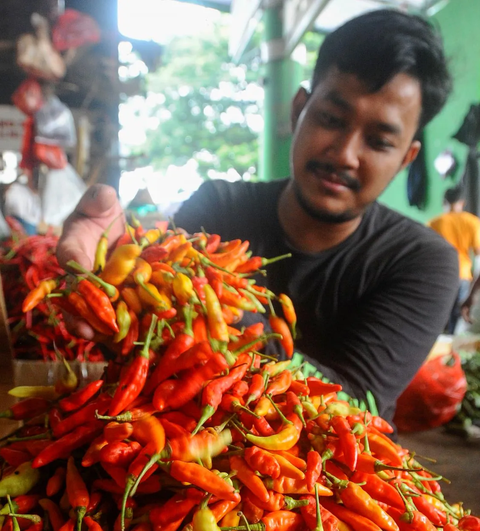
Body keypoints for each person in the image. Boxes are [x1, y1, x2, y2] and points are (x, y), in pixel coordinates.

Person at [57, 9, 459, 424]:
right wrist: (108, 283)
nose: (344, 154)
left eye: (378, 141)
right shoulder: (218, 207)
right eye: (331, 120)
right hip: (190, 440)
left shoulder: (422, 261)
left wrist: (216, 310)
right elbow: (146, 344)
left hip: (323, 476)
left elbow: (351, 406)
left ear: (406, 159)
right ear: (298, 109)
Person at [429, 184, 480, 333]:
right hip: (462, 274)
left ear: (444, 202)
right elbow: (478, 252)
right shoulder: (472, 222)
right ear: (462, 202)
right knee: (458, 316)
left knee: (438, 316)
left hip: (439, 275)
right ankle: (453, 349)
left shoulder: (434, 223)